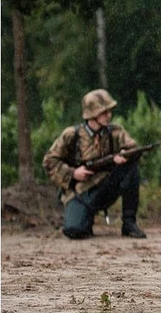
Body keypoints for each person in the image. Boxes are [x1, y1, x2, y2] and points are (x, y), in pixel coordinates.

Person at [42, 89, 146, 239]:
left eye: (109, 111)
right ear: (91, 114)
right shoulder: (72, 135)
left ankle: (129, 223)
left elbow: (134, 149)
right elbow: (49, 161)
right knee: (74, 230)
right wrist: (73, 173)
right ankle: (85, 219)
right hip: (80, 191)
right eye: (103, 112)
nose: (108, 115)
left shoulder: (115, 132)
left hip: (106, 186)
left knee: (131, 168)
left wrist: (125, 154)